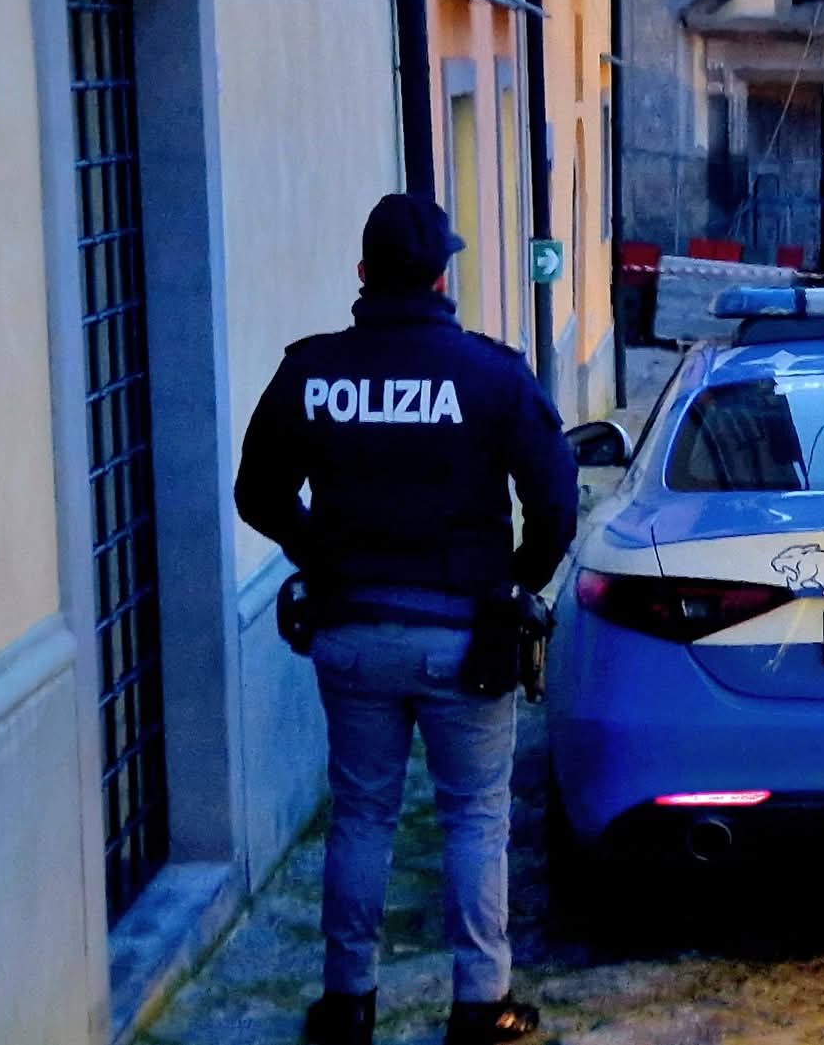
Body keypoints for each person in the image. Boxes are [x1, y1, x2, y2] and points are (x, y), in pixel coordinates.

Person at [235, 193, 578, 1045]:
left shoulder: (313, 371)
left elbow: (257, 492)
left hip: (353, 630)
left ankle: (348, 1000)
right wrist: (516, 584)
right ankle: (480, 1003)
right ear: (440, 279)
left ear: (363, 273)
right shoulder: (492, 374)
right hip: (467, 638)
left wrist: (320, 554)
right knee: (475, 817)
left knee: (361, 814)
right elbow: (556, 504)